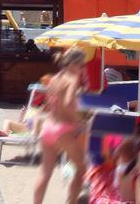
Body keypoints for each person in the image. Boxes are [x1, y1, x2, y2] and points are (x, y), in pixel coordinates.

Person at [33, 48, 88, 204]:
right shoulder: (71, 79)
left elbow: (50, 105)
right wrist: (80, 122)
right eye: (81, 65)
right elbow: (69, 102)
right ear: (73, 64)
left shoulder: (54, 79)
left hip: (48, 128)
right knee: (82, 168)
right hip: (63, 129)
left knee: (45, 172)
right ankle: (71, 202)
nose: (83, 69)